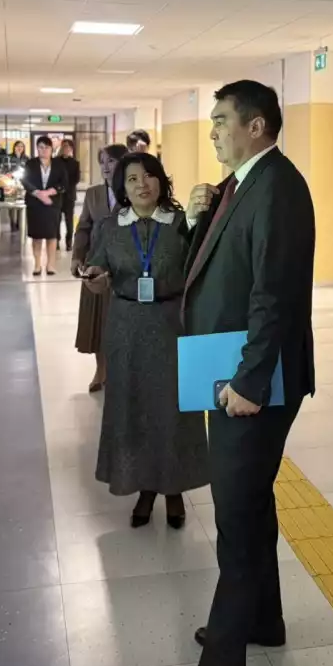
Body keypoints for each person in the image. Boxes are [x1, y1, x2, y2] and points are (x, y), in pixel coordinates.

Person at [183, 80, 315, 666]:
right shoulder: (242, 185)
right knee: (251, 504)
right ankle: (264, 618)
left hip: (255, 381)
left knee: (235, 515)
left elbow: (273, 294)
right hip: (231, 367)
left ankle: (223, 658)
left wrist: (250, 383)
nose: (212, 131)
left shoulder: (278, 187)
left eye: (221, 120)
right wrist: (198, 218)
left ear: (255, 126)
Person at [83, 152, 207, 529]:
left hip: (171, 324)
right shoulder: (110, 227)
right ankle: (144, 488)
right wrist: (95, 278)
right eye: (133, 179)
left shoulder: (181, 222)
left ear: (161, 181)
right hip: (126, 328)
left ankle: (174, 490)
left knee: (173, 410)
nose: (142, 184)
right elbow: (98, 267)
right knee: (133, 408)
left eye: (149, 176)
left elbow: (200, 266)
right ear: (122, 187)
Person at [72, 143, 128, 393]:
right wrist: (77, 257)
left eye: (111, 161)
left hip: (124, 266)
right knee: (97, 322)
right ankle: (100, 370)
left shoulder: (132, 191)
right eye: (102, 161)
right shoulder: (93, 194)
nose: (105, 167)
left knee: (119, 321)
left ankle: (120, 373)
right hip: (95, 264)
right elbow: (83, 227)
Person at [23, 135, 68, 276]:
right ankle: (37, 265)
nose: (43, 150)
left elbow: (64, 183)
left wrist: (48, 192)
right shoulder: (31, 164)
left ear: (51, 149)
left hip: (52, 204)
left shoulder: (59, 164)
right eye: (40, 147)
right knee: (36, 236)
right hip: (34, 204)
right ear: (37, 148)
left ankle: (50, 265)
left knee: (51, 236)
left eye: (46, 147)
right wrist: (38, 193)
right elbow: (25, 181)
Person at [58, 138, 81, 250]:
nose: (65, 148)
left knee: (69, 220)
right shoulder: (55, 161)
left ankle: (69, 242)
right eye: (64, 146)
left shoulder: (75, 163)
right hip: (57, 195)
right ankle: (56, 242)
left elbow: (76, 179)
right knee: (56, 220)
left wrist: (66, 187)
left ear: (71, 149)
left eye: (68, 146)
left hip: (69, 195)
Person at [8, 139, 28, 232]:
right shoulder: (9, 157)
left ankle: (20, 224)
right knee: (11, 204)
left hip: (22, 184)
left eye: (21, 146)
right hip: (11, 184)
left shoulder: (26, 158)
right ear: (14, 147)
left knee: (21, 204)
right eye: (18, 146)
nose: (19, 148)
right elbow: (5, 169)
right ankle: (12, 224)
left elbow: (29, 171)